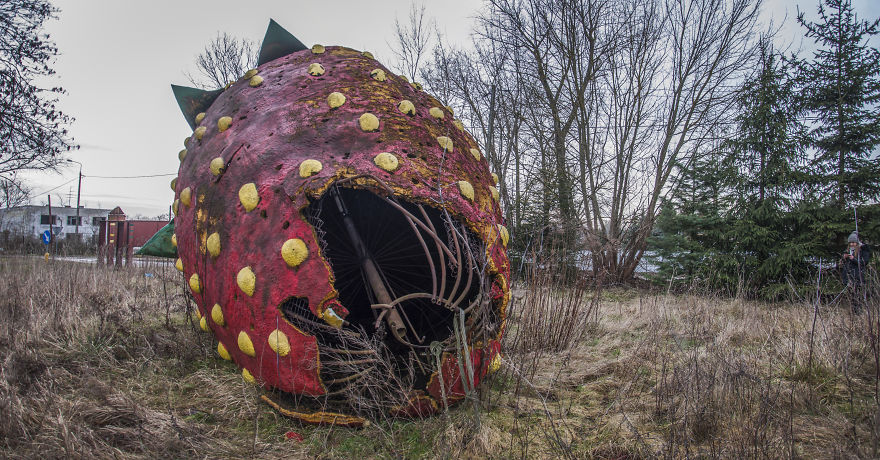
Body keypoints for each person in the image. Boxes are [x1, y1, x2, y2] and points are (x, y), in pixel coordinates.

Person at [841, 231, 872, 313]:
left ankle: (858, 313)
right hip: (848, 277)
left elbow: (864, 263)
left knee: (857, 296)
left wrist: (853, 259)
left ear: (857, 242)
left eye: (853, 242)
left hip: (858, 277)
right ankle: (853, 313)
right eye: (850, 242)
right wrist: (844, 257)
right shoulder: (848, 250)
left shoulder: (863, 250)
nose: (851, 244)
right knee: (851, 296)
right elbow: (845, 264)